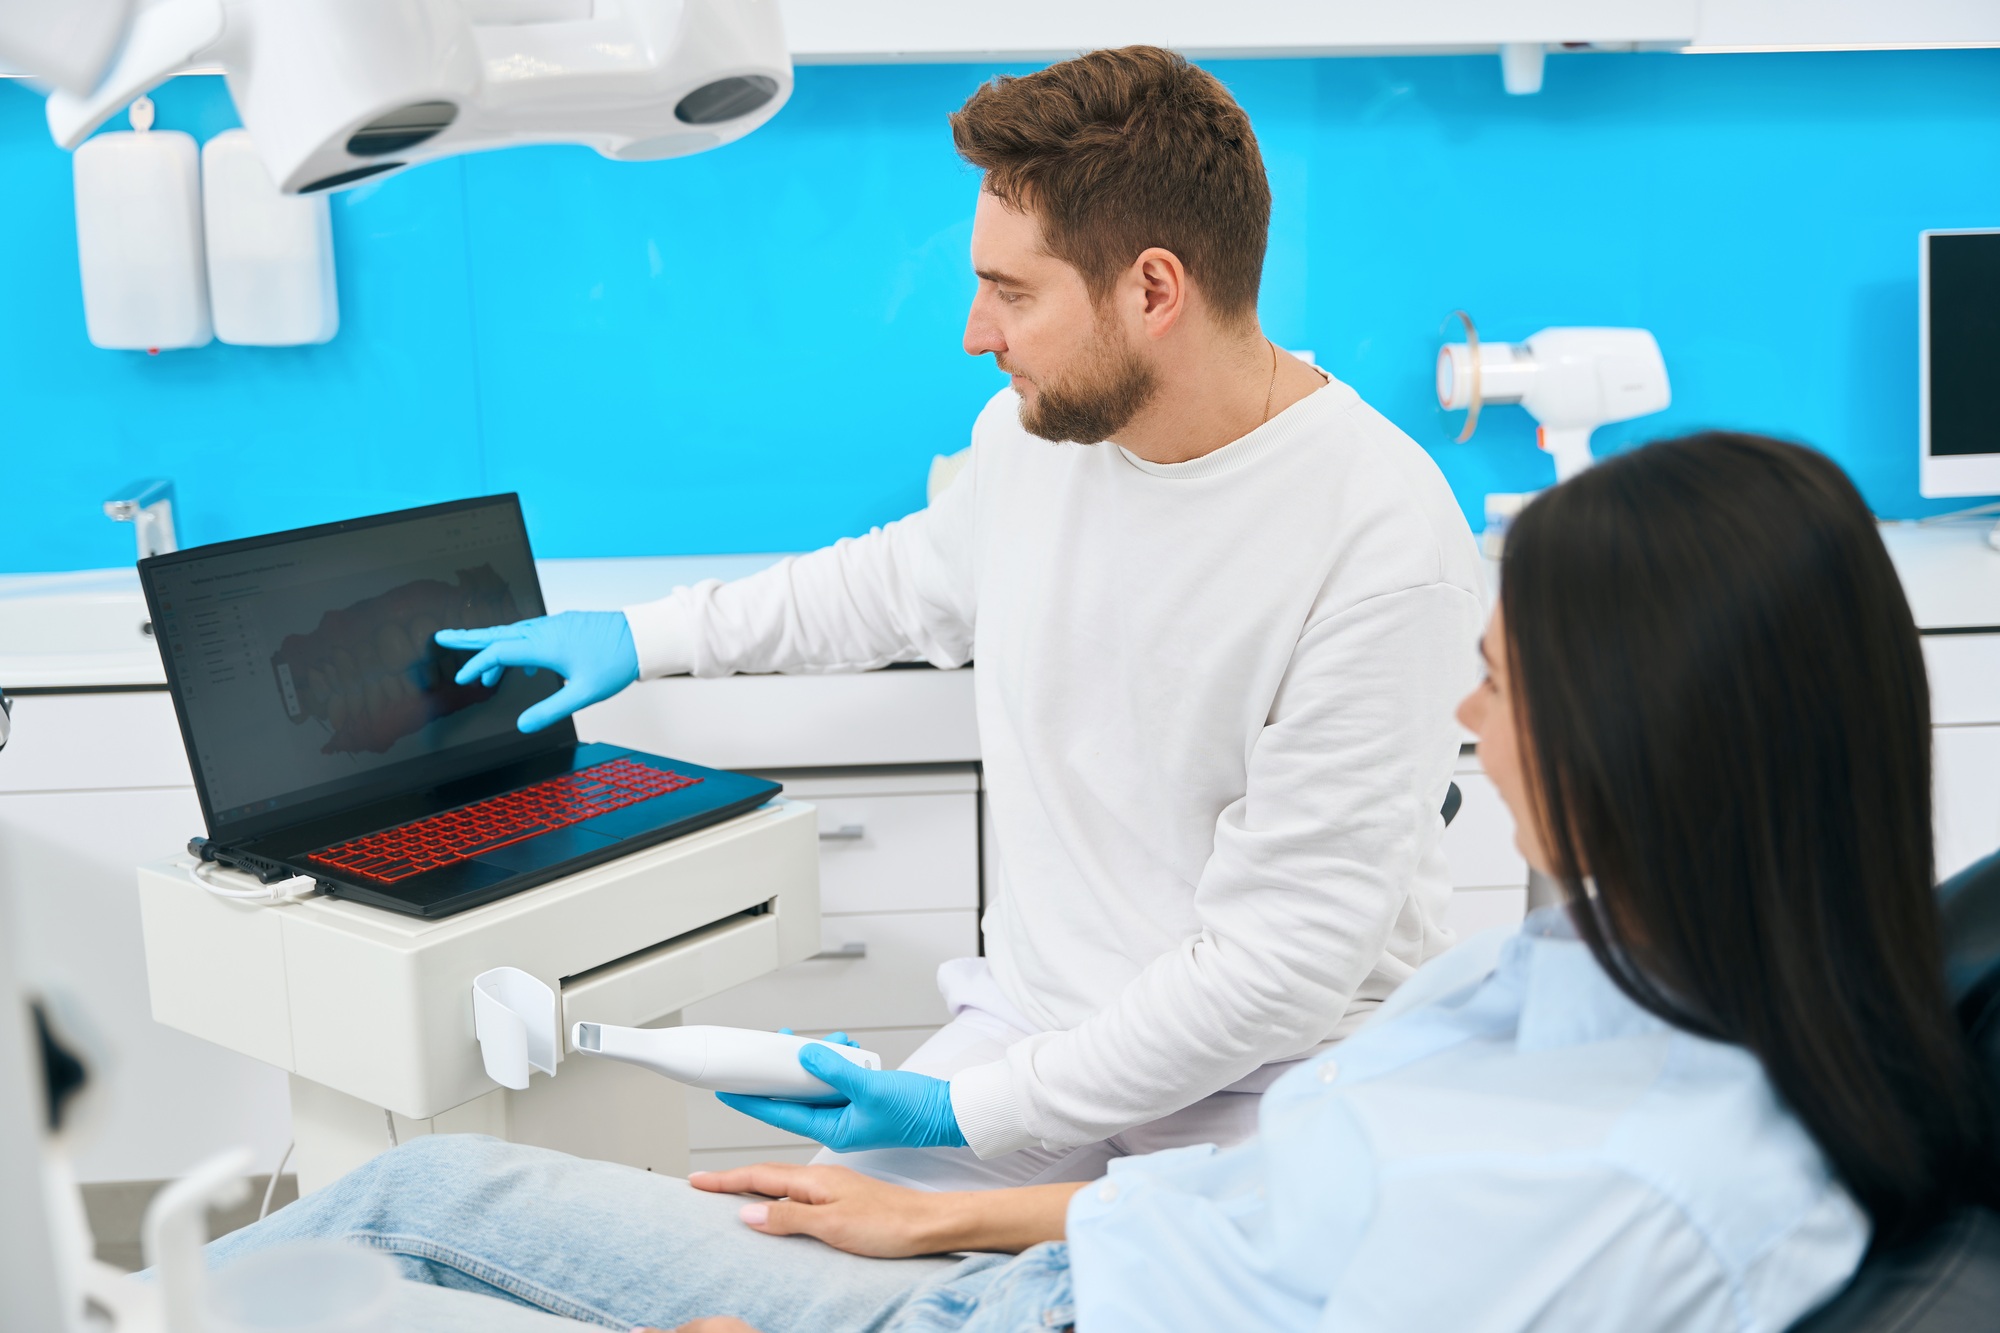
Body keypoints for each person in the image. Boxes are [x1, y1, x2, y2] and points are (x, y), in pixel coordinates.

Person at [217, 432, 2000, 1332]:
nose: (1466, 717)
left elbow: (1288, 978)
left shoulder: (1641, 1192)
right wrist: (967, 1203)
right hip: (1066, 1259)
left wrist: (982, 1126)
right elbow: (1295, 1222)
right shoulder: (1614, 976)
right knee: (400, 1226)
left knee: (387, 1219)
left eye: (1505, 681)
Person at [436, 46, 1485, 1188]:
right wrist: (647, 637)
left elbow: (1274, 971)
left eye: (1013, 292)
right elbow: (897, 582)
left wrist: (969, 1112)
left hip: (1273, 1092)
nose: (975, 332)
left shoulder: (1377, 537)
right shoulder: (1039, 441)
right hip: (1032, 1028)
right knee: (798, 1265)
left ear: (1151, 290)